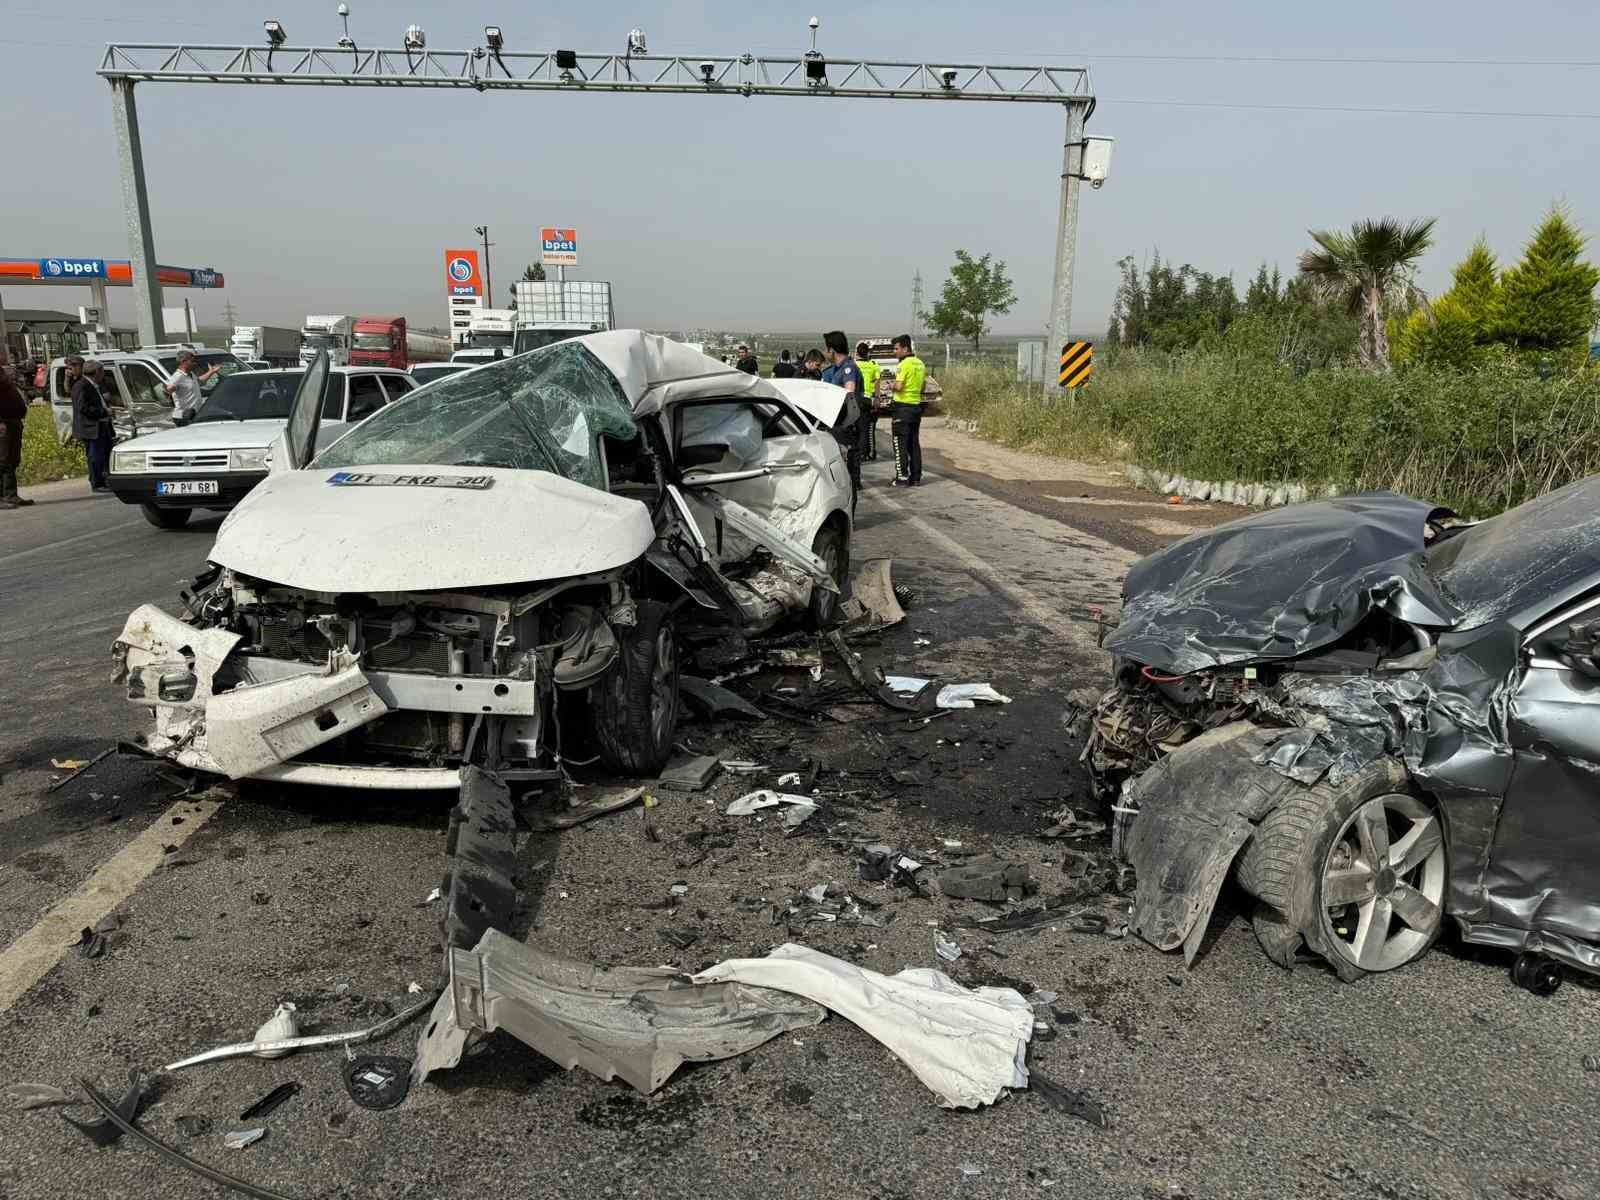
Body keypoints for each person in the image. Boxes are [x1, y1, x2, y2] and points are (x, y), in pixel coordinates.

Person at [823, 330, 864, 511]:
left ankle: (849, 518)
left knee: (847, 476)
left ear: (832, 349)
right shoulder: (835, 370)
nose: (825, 352)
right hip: (836, 428)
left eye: (826, 349)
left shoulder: (849, 368)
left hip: (846, 430)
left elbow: (849, 393)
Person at [887, 334, 926, 486]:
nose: (894, 352)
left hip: (902, 408)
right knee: (913, 443)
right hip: (916, 407)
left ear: (905, 348)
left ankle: (902, 477)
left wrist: (890, 384)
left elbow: (899, 386)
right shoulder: (920, 363)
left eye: (896, 349)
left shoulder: (904, 364)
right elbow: (922, 386)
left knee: (900, 443)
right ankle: (916, 477)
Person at [72, 358, 115, 492]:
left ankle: (104, 480)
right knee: (95, 456)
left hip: (101, 426)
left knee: (104, 454)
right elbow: (83, 408)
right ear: (97, 372)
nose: (103, 374)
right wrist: (103, 411)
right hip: (91, 428)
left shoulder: (93, 385)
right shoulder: (82, 385)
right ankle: (97, 483)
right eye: (102, 371)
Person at [0, 348, 33, 508]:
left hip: (13, 421)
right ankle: (2, 497)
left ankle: (11, 495)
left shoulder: (2, 372)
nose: (5, 356)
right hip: (3, 423)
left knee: (12, 459)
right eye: (2, 353)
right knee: (2, 460)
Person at [163, 349, 221, 420]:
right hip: (183, 417)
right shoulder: (177, 377)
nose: (195, 363)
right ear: (184, 362)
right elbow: (168, 389)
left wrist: (211, 372)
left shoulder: (191, 374)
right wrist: (168, 390)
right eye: (192, 361)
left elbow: (199, 382)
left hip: (194, 415)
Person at [856, 341, 882, 461]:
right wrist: (877, 398)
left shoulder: (853, 365)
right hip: (868, 399)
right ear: (868, 353)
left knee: (855, 427)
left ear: (857, 353)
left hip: (855, 399)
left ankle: (857, 453)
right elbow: (877, 383)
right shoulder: (874, 365)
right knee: (866, 428)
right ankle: (866, 453)